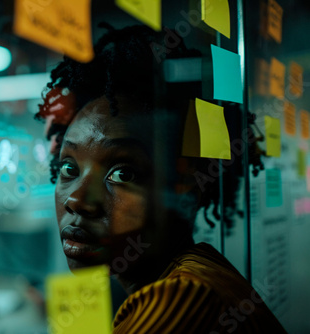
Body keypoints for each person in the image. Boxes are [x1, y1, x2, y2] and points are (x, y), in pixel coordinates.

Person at [34, 24, 287, 333]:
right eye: (69, 169)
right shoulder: (195, 272)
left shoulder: (181, 298)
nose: (77, 200)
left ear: (185, 189)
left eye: (123, 173)